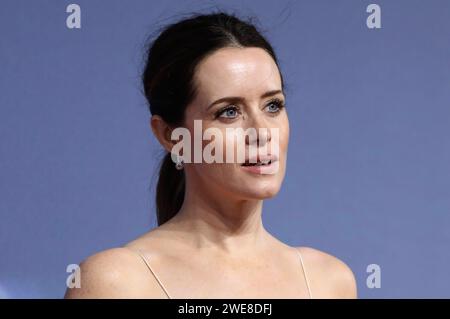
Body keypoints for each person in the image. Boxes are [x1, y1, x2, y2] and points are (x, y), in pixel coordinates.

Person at [65, 11, 357, 299]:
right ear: (171, 136)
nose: (261, 131)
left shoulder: (328, 282)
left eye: (273, 106)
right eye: (229, 112)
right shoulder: (116, 282)